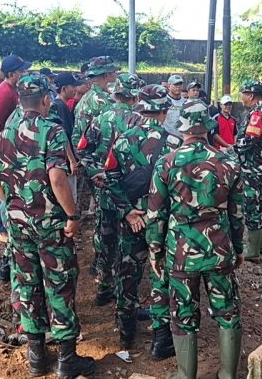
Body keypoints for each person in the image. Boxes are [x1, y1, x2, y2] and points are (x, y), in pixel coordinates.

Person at [0, 74, 95, 379]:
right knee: (59, 285)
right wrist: (73, 215)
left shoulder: (5, 133)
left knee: (27, 284)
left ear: (20, 100)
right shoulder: (52, 130)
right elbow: (57, 178)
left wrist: (14, 207)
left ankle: (36, 358)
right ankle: (67, 360)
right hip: (49, 226)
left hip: (18, 225)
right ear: (46, 99)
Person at [147, 100, 244, 379]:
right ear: (209, 127)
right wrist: (238, 248)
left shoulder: (167, 163)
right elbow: (237, 212)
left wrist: (155, 251)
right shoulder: (228, 162)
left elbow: (155, 214)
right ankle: (227, 374)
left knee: (183, 313)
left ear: (182, 127)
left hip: (180, 252)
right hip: (219, 247)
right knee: (227, 310)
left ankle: (185, 374)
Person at [105, 84, 181, 359]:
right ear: (164, 111)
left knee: (127, 271)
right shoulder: (175, 145)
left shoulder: (122, 141)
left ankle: (125, 333)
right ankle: (161, 340)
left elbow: (110, 178)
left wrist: (127, 211)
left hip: (132, 220)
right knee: (161, 273)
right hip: (162, 222)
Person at [78, 72, 143, 309]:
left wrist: (96, 173)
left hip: (105, 190)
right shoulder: (138, 121)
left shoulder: (101, 118)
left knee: (106, 239)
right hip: (130, 194)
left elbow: (82, 149)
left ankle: (104, 287)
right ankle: (125, 298)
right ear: (134, 97)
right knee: (129, 245)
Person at [71, 57, 121, 306]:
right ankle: (105, 270)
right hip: (106, 170)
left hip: (94, 168)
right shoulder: (105, 103)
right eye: (113, 73)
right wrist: (100, 171)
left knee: (103, 216)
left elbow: (78, 141)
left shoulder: (84, 101)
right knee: (109, 220)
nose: (115, 76)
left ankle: (100, 263)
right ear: (106, 76)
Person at [0, 54, 30, 235]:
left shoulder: (12, 90)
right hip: (1, 145)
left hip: (8, 143)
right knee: (2, 183)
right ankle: (2, 228)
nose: (24, 74)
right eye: (21, 71)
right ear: (11, 74)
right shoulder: (5, 94)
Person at [235, 81, 262, 262]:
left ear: (250, 95)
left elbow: (250, 140)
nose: (241, 97)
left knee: (251, 203)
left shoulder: (258, 113)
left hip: (253, 167)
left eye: (243, 93)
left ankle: (252, 250)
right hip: (260, 165)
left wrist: (231, 150)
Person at [52, 72, 85, 200]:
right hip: (65, 160)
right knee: (70, 196)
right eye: (72, 86)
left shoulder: (58, 105)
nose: (75, 89)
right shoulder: (61, 107)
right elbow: (64, 135)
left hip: (61, 159)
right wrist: (72, 160)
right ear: (64, 89)